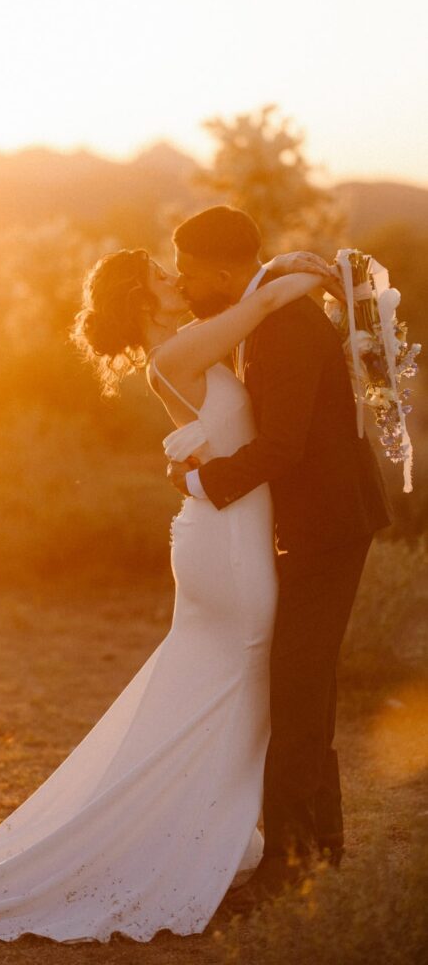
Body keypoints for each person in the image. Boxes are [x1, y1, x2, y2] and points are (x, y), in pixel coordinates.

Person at [0, 246, 333, 941]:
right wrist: (317, 269)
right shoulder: (178, 353)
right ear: (142, 299)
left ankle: (191, 836)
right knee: (240, 690)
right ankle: (189, 844)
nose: (178, 281)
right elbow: (268, 302)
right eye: (162, 277)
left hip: (221, 533)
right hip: (228, 548)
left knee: (212, 696)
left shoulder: (182, 353)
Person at [167, 206, 392, 909]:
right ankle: (317, 849)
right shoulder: (265, 315)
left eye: (188, 270)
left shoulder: (283, 329)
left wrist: (200, 482)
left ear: (226, 272)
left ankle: (290, 867)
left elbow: (283, 447)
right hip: (317, 521)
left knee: (295, 687)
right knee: (303, 682)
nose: (180, 281)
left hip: (326, 526)